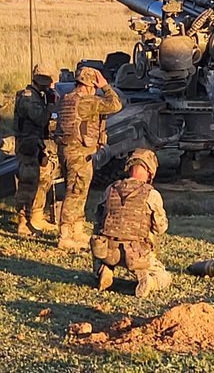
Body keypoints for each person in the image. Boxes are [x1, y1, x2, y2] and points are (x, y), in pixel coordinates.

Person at [55, 66, 123, 250]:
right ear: (88, 85)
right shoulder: (86, 101)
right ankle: (65, 234)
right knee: (75, 192)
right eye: (94, 86)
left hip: (69, 150)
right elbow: (116, 104)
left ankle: (77, 229)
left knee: (79, 189)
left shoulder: (66, 99)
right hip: (79, 152)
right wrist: (106, 87)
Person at [90, 148, 172, 297]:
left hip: (108, 252)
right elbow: (161, 228)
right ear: (149, 171)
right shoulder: (151, 194)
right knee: (164, 277)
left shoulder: (111, 189)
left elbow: (98, 220)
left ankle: (104, 269)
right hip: (135, 254)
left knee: (99, 239)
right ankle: (147, 280)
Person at [13, 63, 60, 235]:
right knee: (28, 182)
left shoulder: (38, 96)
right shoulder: (27, 97)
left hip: (37, 144)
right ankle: (23, 222)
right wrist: (50, 107)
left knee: (43, 180)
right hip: (28, 144)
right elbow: (40, 119)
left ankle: (37, 217)